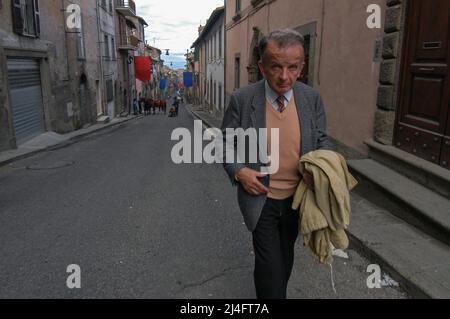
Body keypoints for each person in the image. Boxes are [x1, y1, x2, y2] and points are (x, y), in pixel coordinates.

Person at [221, 29, 334, 299]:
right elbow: (222, 143)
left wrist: (322, 167)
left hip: (298, 199)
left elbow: (322, 140)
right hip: (261, 198)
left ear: (301, 67)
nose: (285, 76)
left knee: (284, 257)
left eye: (293, 67)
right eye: (276, 67)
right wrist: (239, 172)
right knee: (270, 266)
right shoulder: (242, 99)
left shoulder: (311, 98)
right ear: (262, 67)